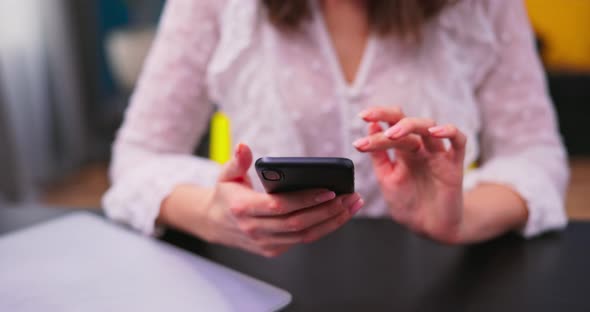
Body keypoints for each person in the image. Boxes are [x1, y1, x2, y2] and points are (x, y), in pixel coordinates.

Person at [103, 0, 569, 257]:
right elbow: (139, 156)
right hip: (262, 279)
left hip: (440, 275)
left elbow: (536, 157)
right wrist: (211, 212)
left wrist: (461, 217)